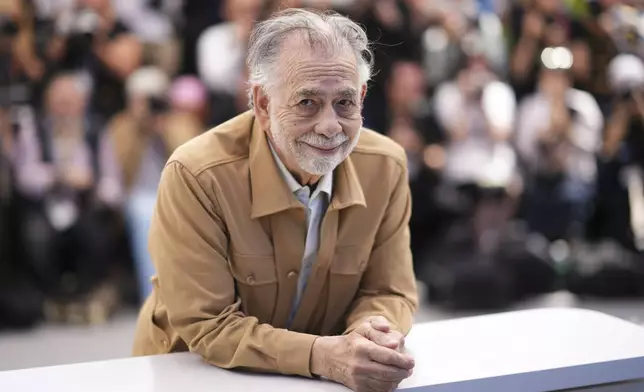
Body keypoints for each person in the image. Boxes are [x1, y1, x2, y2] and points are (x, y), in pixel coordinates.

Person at [132, 8, 418, 392]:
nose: (331, 125)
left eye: (345, 103)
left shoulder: (386, 166)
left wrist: (370, 331)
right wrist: (323, 357)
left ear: (362, 97)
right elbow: (209, 325)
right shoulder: (197, 175)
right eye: (307, 103)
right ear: (262, 104)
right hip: (193, 375)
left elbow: (389, 290)